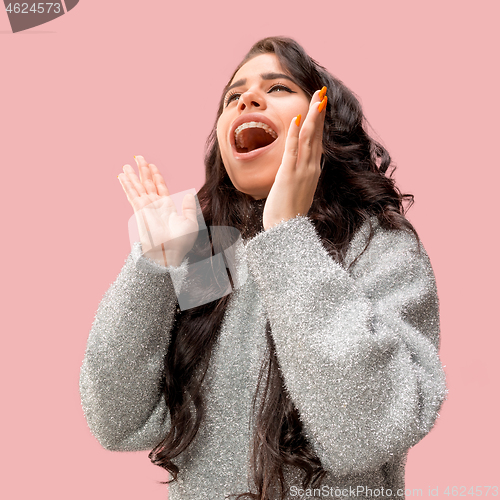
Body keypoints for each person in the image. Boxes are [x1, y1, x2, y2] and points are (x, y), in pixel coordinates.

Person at [80, 36, 447, 500]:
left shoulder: (379, 247)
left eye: (277, 88)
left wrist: (287, 235)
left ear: (323, 126)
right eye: (234, 96)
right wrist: (157, 259)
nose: (247, 99)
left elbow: (367, 431)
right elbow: (117, 421)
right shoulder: (211, 257)